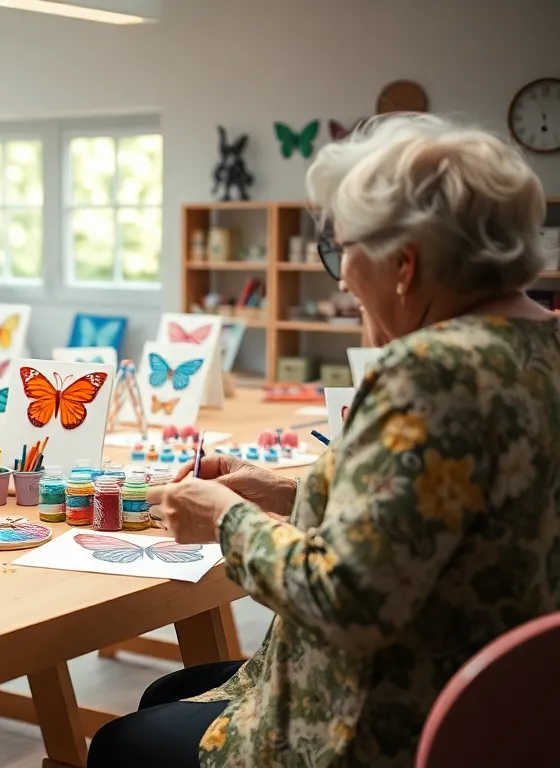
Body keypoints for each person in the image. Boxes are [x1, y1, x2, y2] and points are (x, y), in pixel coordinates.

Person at [89, 112, 560, 767]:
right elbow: (446, 509)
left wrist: (225, 518)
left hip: (384, 726)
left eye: (342, 252)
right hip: (503, 710)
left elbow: (347, 601)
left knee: (120, 745)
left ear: (404, 263)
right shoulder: (542, 345)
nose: (339, 281)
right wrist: (283, 489)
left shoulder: (428, 370)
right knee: (172, 691)